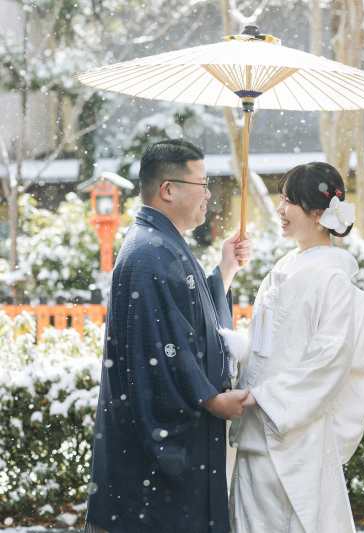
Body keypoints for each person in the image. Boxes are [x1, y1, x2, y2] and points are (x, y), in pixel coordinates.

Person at [84, 139, 253, 533]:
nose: (209, 194)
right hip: (148, 470)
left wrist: (224, 270)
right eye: (203, 184)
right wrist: (211, 400)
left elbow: (184, 318)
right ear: (168, 189)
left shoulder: (160, 243)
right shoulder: (150, 252)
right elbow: (158, 352)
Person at [219, 162, 364, 533]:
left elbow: (329, 363)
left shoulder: (334, 281)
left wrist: (261, 397)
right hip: (255, 431)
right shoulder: (281, 269)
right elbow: (264, 346)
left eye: (289, 201)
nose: (280, 210)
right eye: (281, 199)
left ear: (316, 213)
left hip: (295, 434)